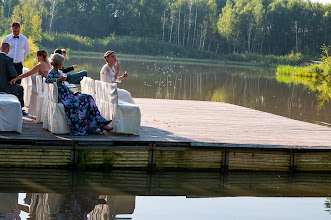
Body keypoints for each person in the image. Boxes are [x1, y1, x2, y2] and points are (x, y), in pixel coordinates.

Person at [45, 53, 112, 135]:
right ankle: (99, 125)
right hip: (63, 97)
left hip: (67, 94)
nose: (63, 64)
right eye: (62, 62)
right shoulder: (52, 71)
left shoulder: (58, 72)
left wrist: (72, 92)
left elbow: (62, 84)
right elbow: (47, 80)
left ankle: (100, 121)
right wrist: (59, 79)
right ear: (58, 63)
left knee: (89, 97)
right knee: (82, 103)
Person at [0, 42, 26, 115]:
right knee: (20, 89)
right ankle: (20, 109)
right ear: (8, 49)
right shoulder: (8, 59)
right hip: (6, 87)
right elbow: (14, 74)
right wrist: (12, 79)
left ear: (0, 48)